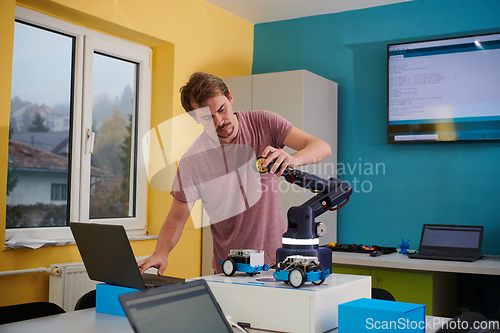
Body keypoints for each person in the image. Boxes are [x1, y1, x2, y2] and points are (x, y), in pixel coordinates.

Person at [138, 72, 332, 275]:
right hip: (229, 268)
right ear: (195, 119)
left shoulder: (263, 122)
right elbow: (176, 218)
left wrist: (293, 159)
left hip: (277, 261)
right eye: (207, 117)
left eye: (222, 109)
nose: (220, 122)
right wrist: (161, 253)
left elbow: (321, 147)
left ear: (230, 97)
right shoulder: (193, 161)